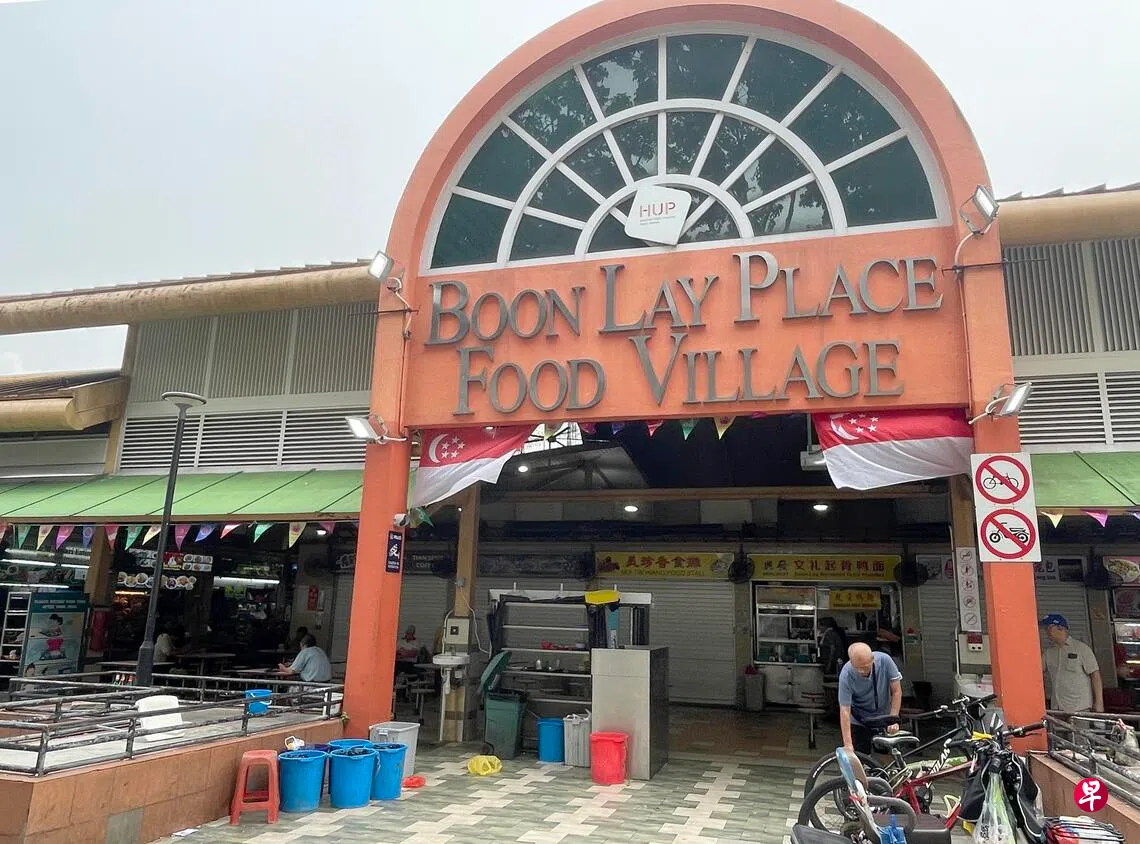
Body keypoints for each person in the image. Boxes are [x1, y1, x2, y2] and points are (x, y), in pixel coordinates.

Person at [838, 642, 903, 755]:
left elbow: (896, 691)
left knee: (890, 754)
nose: (862, 671)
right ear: (851, 662)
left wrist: (893, 719)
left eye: (865, 667)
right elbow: (844, 709)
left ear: (873, 659)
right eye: (857, 668)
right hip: (860, 719)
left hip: (884, 716)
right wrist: (848, 743)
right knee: (861, 756)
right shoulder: (846, 674)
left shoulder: (885, 661)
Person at [1040, 613, 1103, 713]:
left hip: (1079, 707)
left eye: (1049, 628)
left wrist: (1099, 702)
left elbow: (1095, 675)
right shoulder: (1048, 652)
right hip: (1057, 708)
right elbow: (1037, 671)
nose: (1046, 632)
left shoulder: (1081, 648)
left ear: (1060, 628)